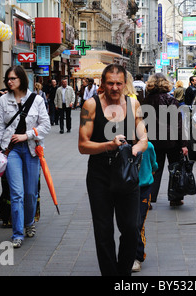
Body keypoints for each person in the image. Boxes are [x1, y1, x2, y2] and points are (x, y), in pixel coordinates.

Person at [78, 63, 148, 276]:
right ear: (102, 83)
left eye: (119, 83)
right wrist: (108, 145)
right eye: (110, 83)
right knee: (103, 231)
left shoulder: (133, 104)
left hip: (127, 173)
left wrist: (135, 148)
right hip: (100, 174)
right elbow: (83, 145)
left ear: (124, 84)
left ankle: (123, 274)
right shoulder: (90, 106)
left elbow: (143, 138)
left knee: (130, 228)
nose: (115, 88)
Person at [0, 65, 50, 248]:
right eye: (8, 79)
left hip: (31, 150)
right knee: (16, 193)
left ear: (22, 79)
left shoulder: (37, 100)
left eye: (13, 78)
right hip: (11, 150)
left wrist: (27, 135)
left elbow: (46, 126)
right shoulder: (3, 102)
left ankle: (29, 222)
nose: (9, 81)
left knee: (31, 193)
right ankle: (17, 233)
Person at [143, 73, 188, 207]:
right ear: (166, 84)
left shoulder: (145, 101)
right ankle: (175, 198)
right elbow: (178, 125)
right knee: (175, 168)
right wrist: (184, 144)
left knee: (153, 170)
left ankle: (149, 198)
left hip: (152, 141)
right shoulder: (171, 101)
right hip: (171, 141)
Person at [132, 141, 158, 272]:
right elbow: (154, 166)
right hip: (128, 189)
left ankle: (138, 257)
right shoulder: (122, 145)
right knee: (129, 223)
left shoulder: (148, 146)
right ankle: (129, 254)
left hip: (144, 190)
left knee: (139, 223)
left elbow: (154, 164)